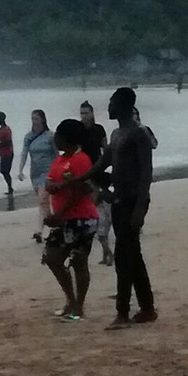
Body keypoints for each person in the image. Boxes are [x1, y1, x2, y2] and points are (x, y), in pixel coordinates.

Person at [67, 87, 156, 330]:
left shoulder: (138, 135)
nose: (109, 107)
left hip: (133, 201)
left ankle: (123, 312)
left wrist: (140, 207)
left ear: (123, 106)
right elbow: (102, 163)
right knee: (132, 254)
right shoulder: (116, 134)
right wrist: (77, 179)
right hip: (118, 199)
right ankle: (147, 307)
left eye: (112, 103)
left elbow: (146, 172)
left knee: (123, 256)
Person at [43, 119, 99, 320]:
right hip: (63, 218)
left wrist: (59, 211)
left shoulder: (81, 159)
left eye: (58, 134)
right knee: (52, 258)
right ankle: (71, 300)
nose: (55, 138)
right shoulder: (60, 159)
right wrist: (56, 186)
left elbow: (81, 191)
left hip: (81, 218)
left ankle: (78, 306)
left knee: (78, 262)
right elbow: (50, 180)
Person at [79, 101, 113, 266]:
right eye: (82, 113)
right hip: (84, 174)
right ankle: (106, 250)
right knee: (90, 212)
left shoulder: (98, 129)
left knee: (98, 209)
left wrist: (109, 166)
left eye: (86, 113)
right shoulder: (78, 130)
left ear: (92, 113)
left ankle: (107, 250)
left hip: (97, 172)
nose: (84, 116)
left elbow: (106, 149)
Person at [17, 109, 56, 243]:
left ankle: (39, 231)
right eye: (32, 119)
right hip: (35, 173)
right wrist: (20, 170)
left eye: (36, 119)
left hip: (48, 172)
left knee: (42, 200)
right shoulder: (28, 136)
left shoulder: (50, 136)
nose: (34, 121)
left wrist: (59, 170)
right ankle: (54, 225)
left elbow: (56, 154)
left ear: (43, 120)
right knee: (44, 203)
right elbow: (24, 153)